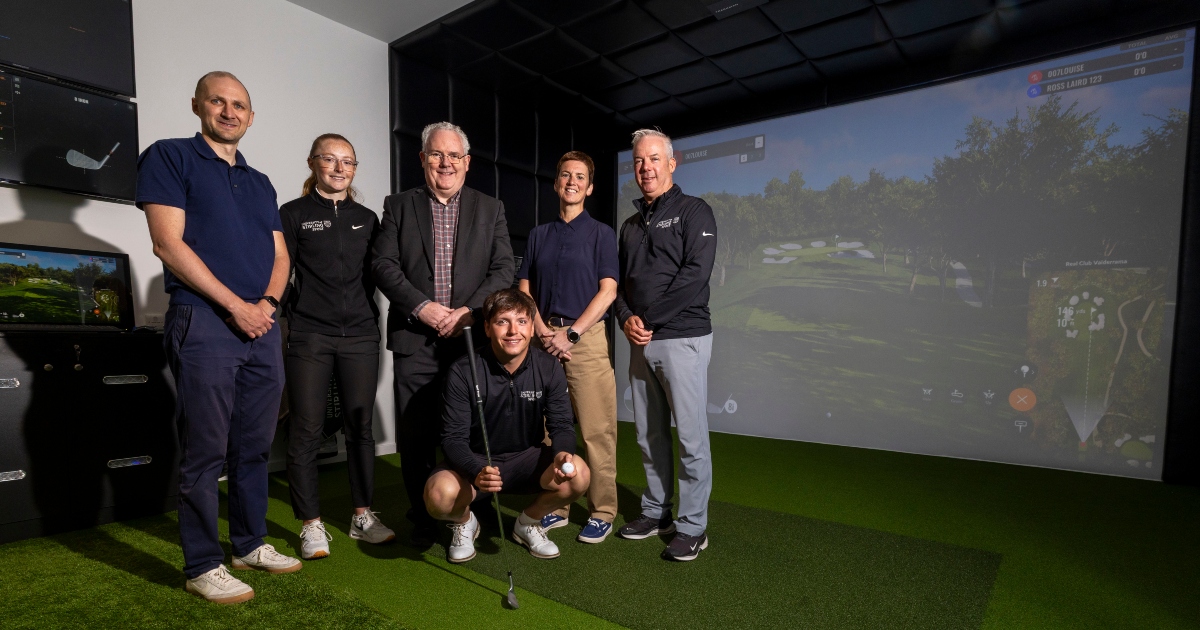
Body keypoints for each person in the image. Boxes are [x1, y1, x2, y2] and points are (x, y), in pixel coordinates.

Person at [138, 71, 301, 604]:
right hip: (204, 320)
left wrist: (267, 307)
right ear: (197, 105)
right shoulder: (169, 156)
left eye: (239, 105)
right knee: (205, 451)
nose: (229, 112)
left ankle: (249, 543)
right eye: (218, 101)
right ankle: (202, 563)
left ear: (251, 118)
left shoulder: (259, 181)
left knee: (253, 445)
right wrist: (235, 306)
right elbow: (167, 243)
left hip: (262, 324)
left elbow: (280, 255)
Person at [372, 122, 515, 545]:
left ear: (467, 163)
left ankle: (470, 512)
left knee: (472, 429)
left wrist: (469, 312)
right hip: (416, 337)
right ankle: (422, 514)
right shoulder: (398, 206)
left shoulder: (491, 208)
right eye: (436, 154)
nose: (446, 163)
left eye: (454, 156)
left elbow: (504, 268)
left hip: (469, 341)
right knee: (415, 433)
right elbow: (383, 265)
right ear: (422, 159)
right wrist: (424, 308)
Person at [279, 133, 395, 561]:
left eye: (347, 161)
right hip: (311, 334)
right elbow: (279, 268)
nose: (339, 167)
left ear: (354, 169)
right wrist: (293, 310)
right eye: (329, 159)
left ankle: (362, 515)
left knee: (360, 428)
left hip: (363, 334)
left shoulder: (367, 218)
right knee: (306, 429)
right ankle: (311, 524)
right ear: (313, 163)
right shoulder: (292, 214)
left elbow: (384, 271)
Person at [424, 289, 590, 562]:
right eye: (503, 321)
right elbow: (452, 438)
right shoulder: (463, 370)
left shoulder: (549, 367)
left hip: (526, 459)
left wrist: (562, 454)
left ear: (532, 328)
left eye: (522, 321)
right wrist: (476, 469)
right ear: (487, 328)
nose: (514, 331)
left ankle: (528, 523)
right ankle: (465, 522)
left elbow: (561, 425)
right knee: (438, 496)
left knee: (579, 475)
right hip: (478, 461)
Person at [615, 128, 718, 562]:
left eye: (654, 159)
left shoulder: (696, 212)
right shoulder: (630, 225)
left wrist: (649, 320)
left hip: (684, 338)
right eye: (639, 161)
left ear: (672, 164)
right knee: (648, 434)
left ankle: (693, 527)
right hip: (641, 340)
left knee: (690, 438)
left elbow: (695, 275)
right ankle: (657, 512)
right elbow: (616, 285)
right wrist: (625, 319)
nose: (646, 168)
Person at [517, 151, 619, 543]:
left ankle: (603, 510)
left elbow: (608, 291)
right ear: (557, 183)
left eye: (580, 176)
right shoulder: (539, 234)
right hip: (542, 341)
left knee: (596, 430)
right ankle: (556, 505)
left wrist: (570, 334)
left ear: (589, 188)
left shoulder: (601, 234)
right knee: (547, 432)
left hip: (585, 340)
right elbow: (524, 290)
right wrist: (543, 332)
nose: (572, 181)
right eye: (565, 175)